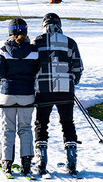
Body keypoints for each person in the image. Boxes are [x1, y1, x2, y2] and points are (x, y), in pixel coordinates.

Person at [33, 13, 83, 177]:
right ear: (59, 25)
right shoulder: (70, 42)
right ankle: (72, 161)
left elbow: (31, 66)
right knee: (68, 123)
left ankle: (41, 161)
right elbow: (78, 67)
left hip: (43, 90)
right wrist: (72, 81)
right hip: (65, 90)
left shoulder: (36, 42)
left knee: (41, 123)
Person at [0, 18, 39, 177]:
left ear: (10, 32)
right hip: (26, 94)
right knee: (25, 128)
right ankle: (26, 164)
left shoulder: (4, 50)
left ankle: (6, 163)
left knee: (8, 128)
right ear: (26, 32)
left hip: (8, 94)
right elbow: (35, 70)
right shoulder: (34, 51)